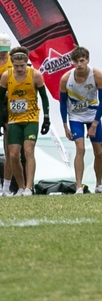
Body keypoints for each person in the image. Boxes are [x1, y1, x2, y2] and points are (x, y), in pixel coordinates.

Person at [0, 46, 50, 196]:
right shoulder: (6, 76)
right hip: (14, 120)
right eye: (16, 66)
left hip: (31, 119)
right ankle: (21, 186)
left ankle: (29, 187)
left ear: (26, 63)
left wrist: (46, 118)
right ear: (12, 63)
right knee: (13, 155)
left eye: (22, 66)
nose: (20, 69)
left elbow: (44, 97)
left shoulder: (35, 75)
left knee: (28, 151)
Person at [59, 46, 102, 194]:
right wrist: (65, 125)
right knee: (80, 148)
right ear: (72, 62)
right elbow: (62, 103)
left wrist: (95, 124)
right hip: (76, 117)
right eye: (76, 61)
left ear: (87, 60)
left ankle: (99, 184)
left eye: (81, 61)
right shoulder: (66, 79)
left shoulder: (97, 75)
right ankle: (78, 185)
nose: (79, 65)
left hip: (93, 114)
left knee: (98, 151)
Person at [0, 32, 14, 196]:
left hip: (10, 105)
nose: (2, 53)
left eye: (4, 50)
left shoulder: (14, 60)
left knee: (10, 147)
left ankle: (6, 187)